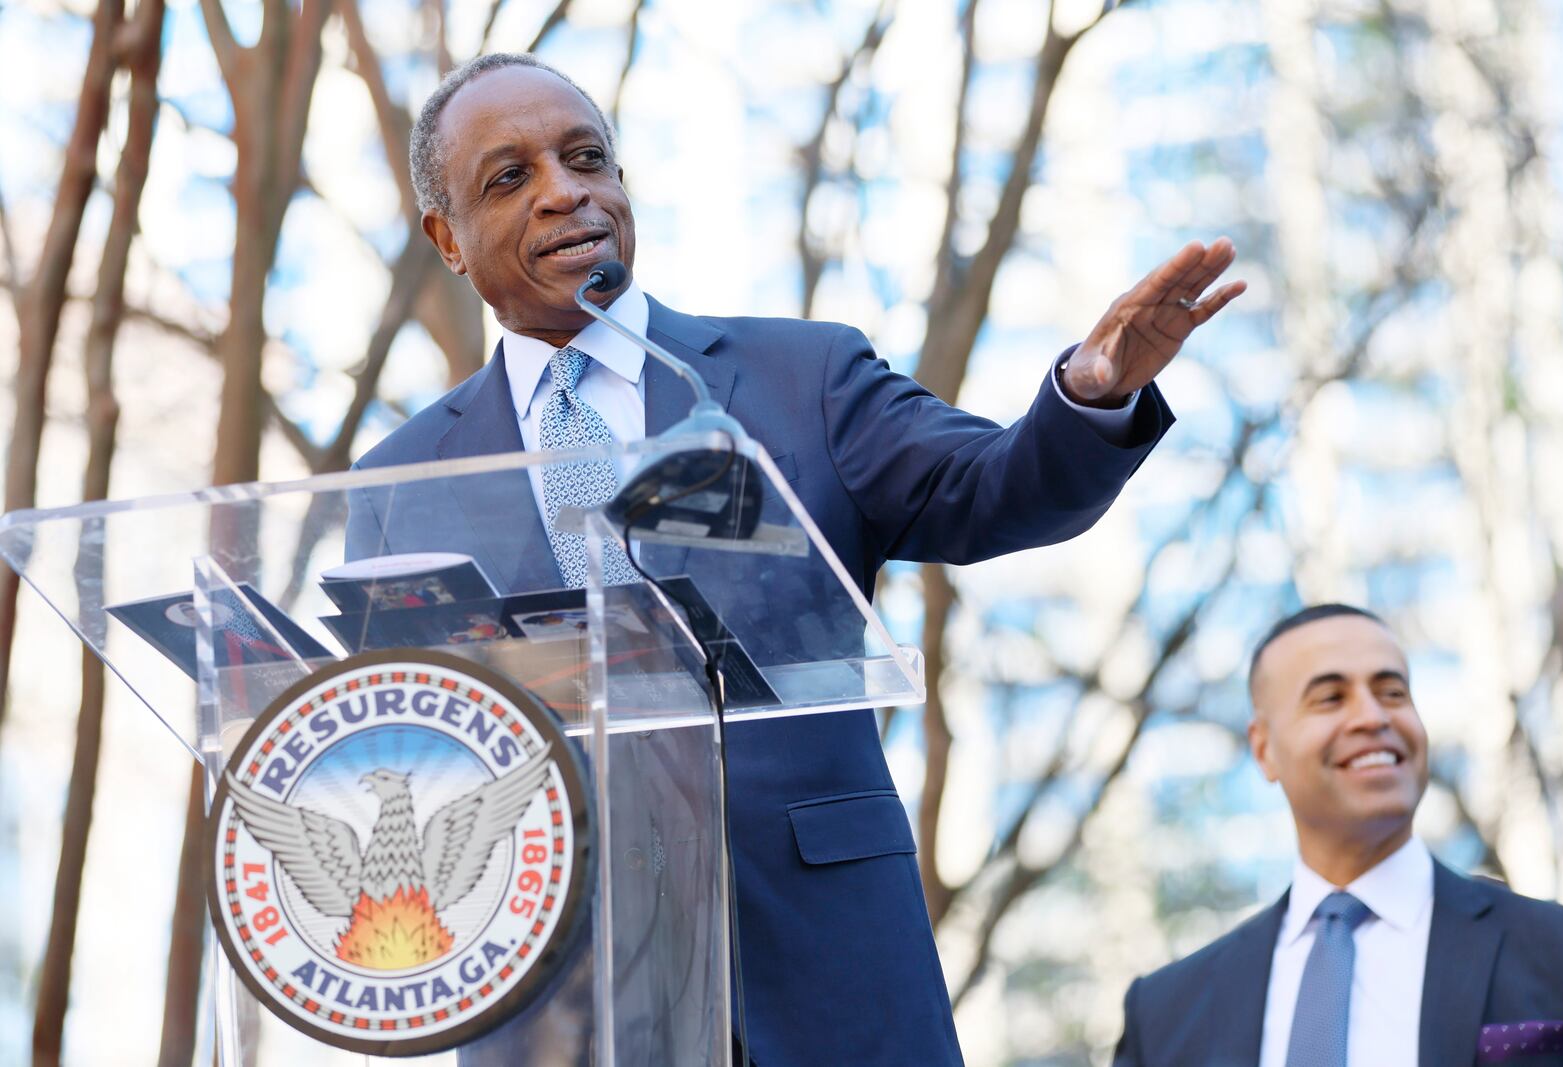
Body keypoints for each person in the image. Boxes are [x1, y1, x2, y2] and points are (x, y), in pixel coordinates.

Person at [348, 52, 1245, 1066]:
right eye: (509, 178)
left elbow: (994, 488)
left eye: (586, 157)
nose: (565, 192)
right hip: (565, 1007)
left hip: (823, 979)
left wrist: (1090, 391)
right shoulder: (397, 486)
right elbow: (400, 764)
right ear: (446, 238)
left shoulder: (796, 378)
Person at [1114, 604, 1563, 1067]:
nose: (1373, 717)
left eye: (1392, 693)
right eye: (1330, 698)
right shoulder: (1164, 1015)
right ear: (1263, 749)